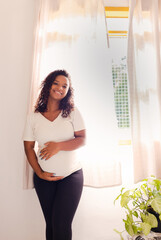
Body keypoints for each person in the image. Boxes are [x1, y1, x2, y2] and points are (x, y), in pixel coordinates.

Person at [23, 69, 86, 240]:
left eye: (65, 86)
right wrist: (39, 173)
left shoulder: (72, 112)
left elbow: (82, 139)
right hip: (44, 179)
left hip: (71, 175)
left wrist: (58, 146)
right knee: (51, 224)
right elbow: (28, 147)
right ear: (48, 85)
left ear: (68, 91)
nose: (60, 88)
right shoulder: (33, 117)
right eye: (56, 83)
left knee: (61, 224)